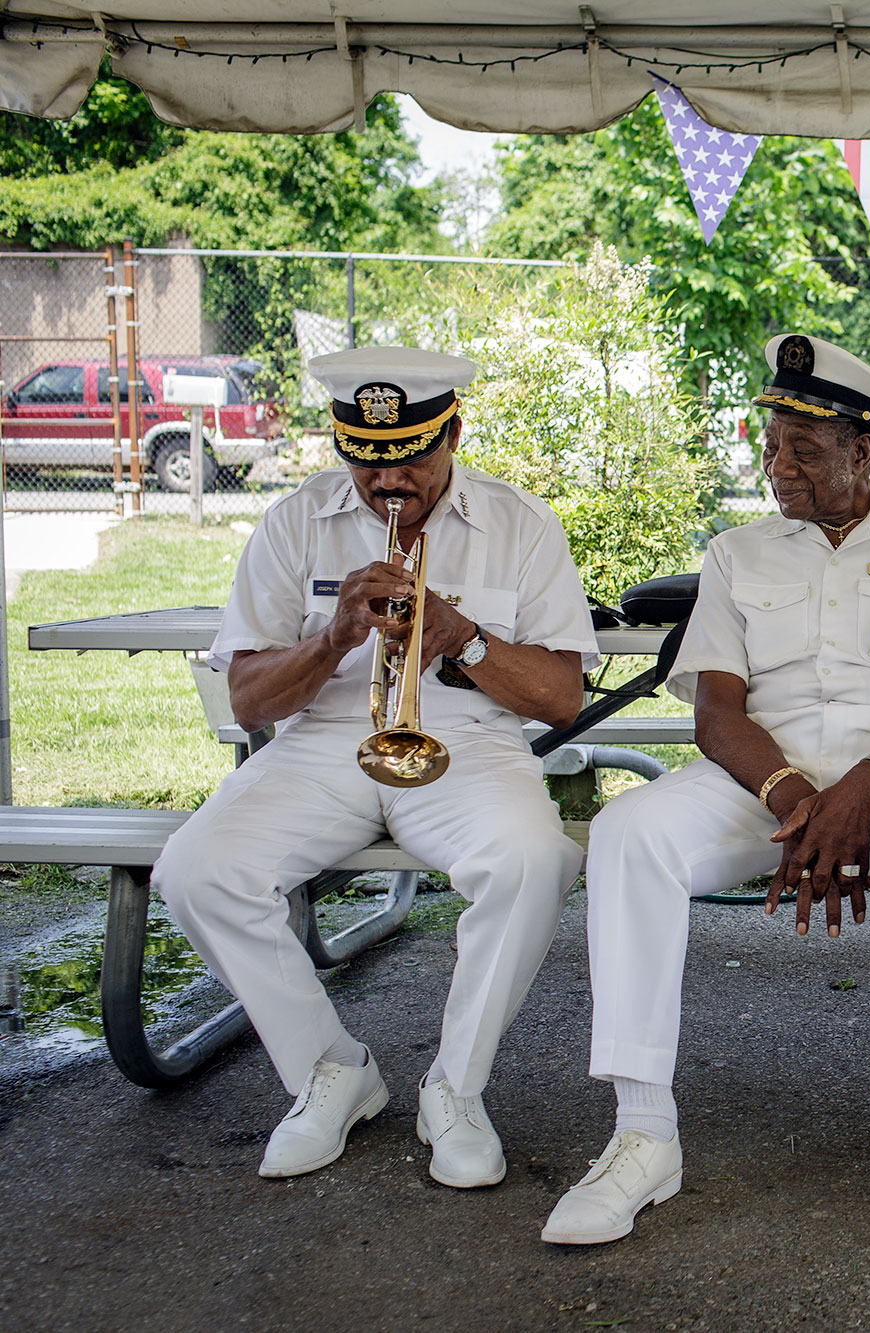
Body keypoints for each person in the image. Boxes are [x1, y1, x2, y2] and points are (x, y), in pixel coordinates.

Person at [544, 335, 870, 1251]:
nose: (780, 467)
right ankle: (642, 1132)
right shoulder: (736, 553)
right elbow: (716, 713)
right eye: (771, 445)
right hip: (769, 781)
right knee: (628, 834)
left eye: (804, 448)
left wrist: (864, 786)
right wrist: (797, 795)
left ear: (864, 448)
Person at [153, 347, 597, 1188]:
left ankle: (455, 1088)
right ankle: (330, 1070)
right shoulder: (296, 521)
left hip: (468, 748)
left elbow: (562, 698)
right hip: (322, 744)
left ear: (454, 433)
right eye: (367, 461)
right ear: (343, 445)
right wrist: (331, 638)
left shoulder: (520, 523)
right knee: (197, 869)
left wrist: (464, 636)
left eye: (412, 461)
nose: (389, 483)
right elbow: (248, 699)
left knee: (535, 859)